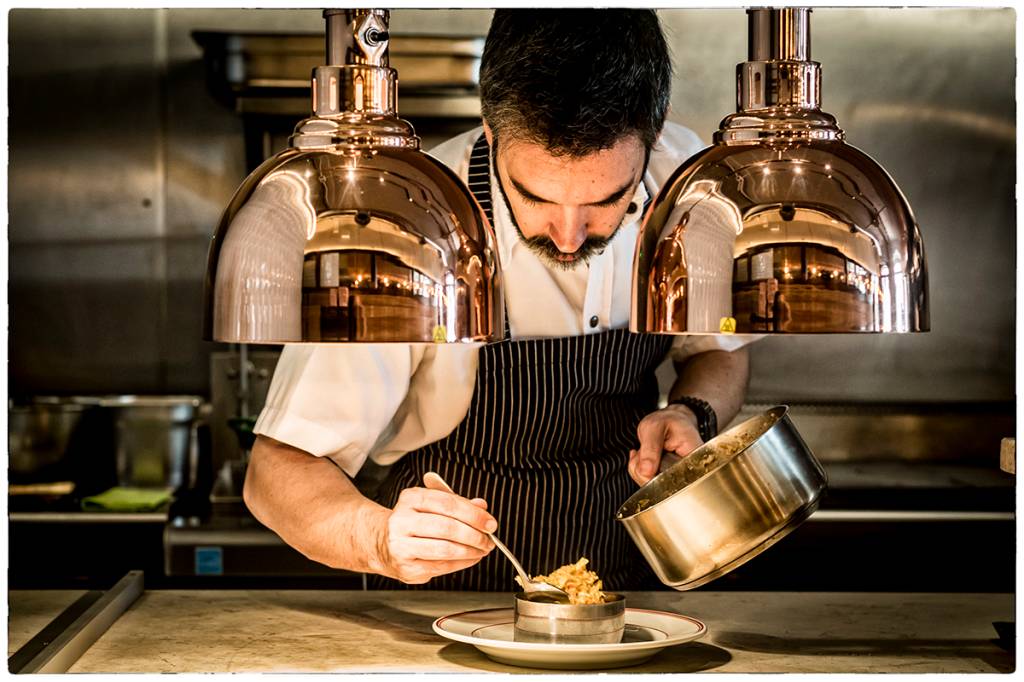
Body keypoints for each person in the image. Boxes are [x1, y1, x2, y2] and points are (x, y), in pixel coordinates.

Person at [244, 9, 756, 591]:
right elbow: (277, 472)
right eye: (535, 196)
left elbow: (720, 351)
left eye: (606, 199)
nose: (568, 236)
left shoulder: (682, 184)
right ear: (491, 130)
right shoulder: (408, 222)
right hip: (440, 614)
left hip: (627, 599)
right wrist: (378, 539)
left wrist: (692, 411)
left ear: (654, 132)